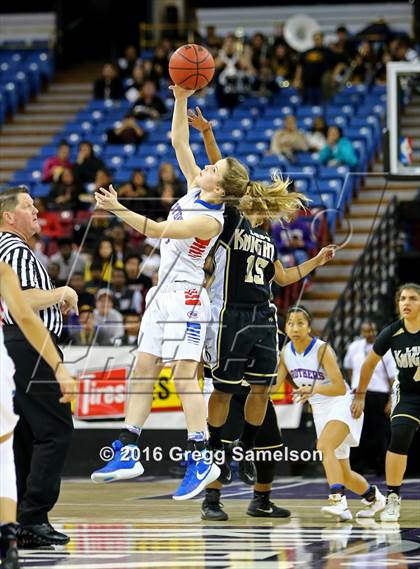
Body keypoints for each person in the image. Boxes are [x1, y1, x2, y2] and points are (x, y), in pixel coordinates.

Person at [90, 84, 270, 500]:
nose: (205, 167)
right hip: (161, 295)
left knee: (185, 376)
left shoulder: (212, 221)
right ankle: (129, 448)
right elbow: (178, 139)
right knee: (143, 368)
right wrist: (181, 96)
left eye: (213, 168)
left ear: (220, 188)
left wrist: (117, 208)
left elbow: (156, 229)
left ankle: (201, 455)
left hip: (187, 298)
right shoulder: (195, 187)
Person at [188, 106, 336, 490]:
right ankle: (216, 454)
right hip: (230, 315)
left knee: (261, 389)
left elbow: (284, 277)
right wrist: (207, 132)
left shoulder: (267, 239)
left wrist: (316, 260)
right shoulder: (230, 220)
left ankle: (246, 450)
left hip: (262, 316)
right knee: (222, 391)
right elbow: (222, 171)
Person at [0, 187, 78, 548]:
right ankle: (33, 517)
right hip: (28, 345)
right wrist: (61, 293)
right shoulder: (14, 249)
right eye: (29, 207)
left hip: (15, 346)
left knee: (25, 436)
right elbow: (24, 301)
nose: (37, 212)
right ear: (8, 217)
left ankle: (16, 518)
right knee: (56, 430)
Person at [276, 305, 386, 521]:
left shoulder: (322, 349)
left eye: (300, 323)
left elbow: (338, 387)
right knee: (343, 473)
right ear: (285, 328)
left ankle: (338, 501)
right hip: (320, 409)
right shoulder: (285, 353)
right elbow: (273, 385)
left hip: (341, 402)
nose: (295, 327)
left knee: (324, 446)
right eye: (290, 323)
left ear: (309, 327)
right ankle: (374, 498)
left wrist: (312, 389)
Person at [352, 283, 420, 522]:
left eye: (412, 298)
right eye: (403, 298)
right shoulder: (392, 332)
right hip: (409, 396)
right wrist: (360, 395)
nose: (406, 303)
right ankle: (393, 498)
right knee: (399, 436)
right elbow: (369, 364)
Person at [344, 321, 396, 475]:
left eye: (372, 331)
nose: (370, 334)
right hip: (358, 393)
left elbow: (392, 376)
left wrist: (391, 399)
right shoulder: (354, 347)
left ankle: (382, 466)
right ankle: (357, 466)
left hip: (379, 394)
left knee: (380, 432)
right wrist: (356, 386)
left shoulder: (385, 348)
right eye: (366, 331)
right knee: (357, 431)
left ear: (377, 331)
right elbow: (349, 368)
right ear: (362, 332)